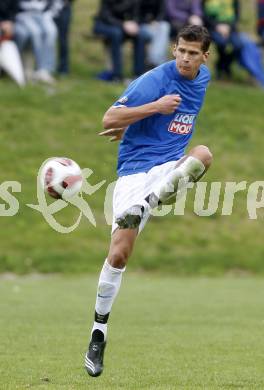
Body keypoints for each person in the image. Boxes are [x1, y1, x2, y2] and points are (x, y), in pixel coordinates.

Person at [84, 25, 213, 377]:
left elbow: (172, 124)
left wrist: (141, 122)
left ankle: (153, 200)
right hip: (135, 171)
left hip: (168, 168)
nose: (185, 59)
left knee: (203, 154)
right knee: (118, 254)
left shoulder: (203, 79)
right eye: (181, 51)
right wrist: (152, 108)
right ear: (174, 49)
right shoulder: (154, 81)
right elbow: (109, 118)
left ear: (205, 57)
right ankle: (99, 333)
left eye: (192, 53)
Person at [93, 0, 150, 82]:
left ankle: (138, 74)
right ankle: (116, 75)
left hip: (121, 26)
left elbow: (136, 15)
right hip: (103, 24)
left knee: (140, 35)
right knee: (116, 34)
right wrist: (123, 25)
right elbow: (105, 16)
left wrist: (134, 24)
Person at [14, 0, 61, 83]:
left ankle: (45, 70)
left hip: (42, 14)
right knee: (35, 34)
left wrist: (49, 13)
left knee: (51, 32)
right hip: (23, 14)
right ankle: (34, 68)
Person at [139, 0, 170, 68]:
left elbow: (162, 12)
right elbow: (136, 14)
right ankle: (159, 64)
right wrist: (148, 22)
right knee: (158, 34)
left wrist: (157, 21)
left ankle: (153, 61)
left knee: (165, 26)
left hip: (157, 24)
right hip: (142, 25)